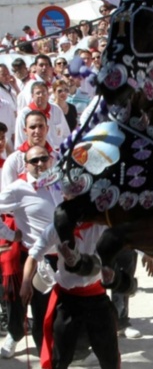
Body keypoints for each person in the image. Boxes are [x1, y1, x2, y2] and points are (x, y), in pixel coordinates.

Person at [20, 221, 121, 369]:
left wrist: (148, 253)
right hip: (68, 300)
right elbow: (33, 255)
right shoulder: (56, 228)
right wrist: (26, 282)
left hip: (97, 297)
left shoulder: (102, 225)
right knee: (59, 358)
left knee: (109, 358)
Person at [0, 145, 62, 359]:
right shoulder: (18, 188)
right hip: (37, 262)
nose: (39, 164)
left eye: (43, 159)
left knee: (65, 313)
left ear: (50, 160)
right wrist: (10, 234)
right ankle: (47, 358)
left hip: (66, 259)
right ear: (25, 165)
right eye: (34, 161)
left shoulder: (59, 183)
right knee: (43, 316)